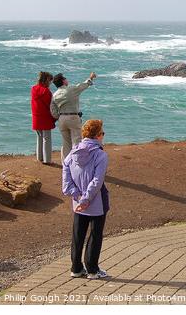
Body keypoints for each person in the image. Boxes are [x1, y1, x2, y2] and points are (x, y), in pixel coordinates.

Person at [62, 119, 110, 279]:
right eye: (102, 133)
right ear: (97, 136)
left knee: (78, 234)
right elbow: (97, 181)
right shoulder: (100, 155)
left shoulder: (73, 152)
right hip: (96, 201)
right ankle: (92, 269)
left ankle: (76, 268)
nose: (103, 136)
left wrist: (76, 194)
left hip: (77, 200)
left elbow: (66, 175)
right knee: (96, 234)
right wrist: (86, 199)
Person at [51, 72, 97, 161]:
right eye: (65, 78)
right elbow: (82, 86)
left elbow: (53, 110)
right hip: (72, 117)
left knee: (66, 143)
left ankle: (66, 163)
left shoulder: (54, 95)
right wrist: (90, 78)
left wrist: (59, 117)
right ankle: (77, 162)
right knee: (77, 141)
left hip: (62, 119)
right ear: (63, 81)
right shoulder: (70, 89)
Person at [31, 71, 56, 164]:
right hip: (45, 117)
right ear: (46, 80)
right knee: (47, 138)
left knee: (39, 137)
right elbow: (50, 106)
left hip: (36, 117)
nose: (50, 83)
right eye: (49, 81)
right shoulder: (46, 91)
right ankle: (47, 160)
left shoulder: (33, 89)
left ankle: (39, 157)